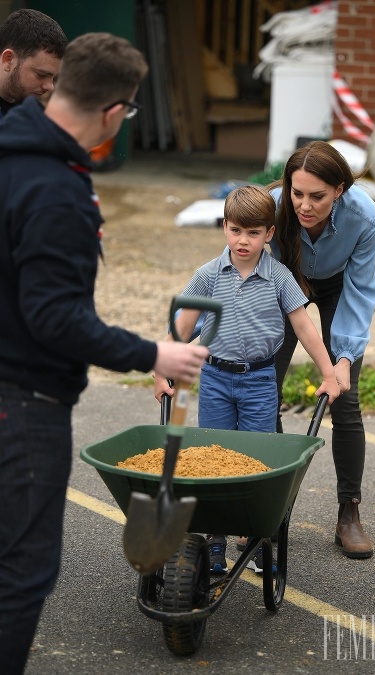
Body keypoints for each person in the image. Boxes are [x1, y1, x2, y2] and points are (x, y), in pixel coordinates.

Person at [0, 32, 208, 675]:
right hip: (23, 404)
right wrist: (153, 353)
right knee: (24, 573)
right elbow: (55, 317)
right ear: (114, 112)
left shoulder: (11, 148)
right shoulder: (55, 188)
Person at [154, 185, 340, 575]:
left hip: (259, 381)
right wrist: (161, 370)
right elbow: (182, 327)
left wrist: (328, 372)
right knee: (215, 460)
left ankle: (257, 542)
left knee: (257, 464)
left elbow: (305, 328)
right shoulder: (207, 275)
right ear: (225, 227)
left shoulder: (279, 277)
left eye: (254, 233)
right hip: (217, 379)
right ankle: (215, 543)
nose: (243, 240)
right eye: (236, 230)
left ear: (269, 234)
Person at [268, 140, 375, 560]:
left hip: (337, 289)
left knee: (345, 400)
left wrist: (343, 360)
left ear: (339, 190)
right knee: (264, 395)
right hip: (284, 283)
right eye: (298, 194)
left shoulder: (363, 216)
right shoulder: (275, 208)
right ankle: (269, 509)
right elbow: (243, 277)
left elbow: (362, 290)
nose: (305, 205)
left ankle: (349, 513)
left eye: (318, 196)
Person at [0, 8, 67, 117]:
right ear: (8, 59)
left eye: (53, 78)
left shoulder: (37, 116)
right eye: (41, 75)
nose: (50, 87)